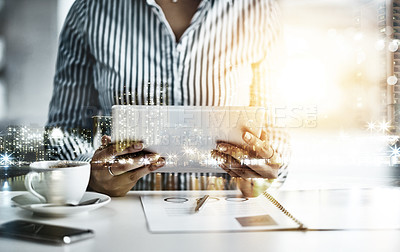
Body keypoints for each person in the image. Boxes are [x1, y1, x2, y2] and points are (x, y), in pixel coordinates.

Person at [46, 0, 290, 197]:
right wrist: (92, 172)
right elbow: (63, 133)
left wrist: (266, 170)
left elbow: (274, 130)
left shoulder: (260, 8)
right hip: (121, 216)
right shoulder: (90, 10)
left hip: (225, 218)